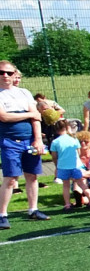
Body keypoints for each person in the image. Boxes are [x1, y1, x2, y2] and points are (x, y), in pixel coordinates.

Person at [0, 61, 50, 228]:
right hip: (9, 141)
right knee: (11, 178)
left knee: (32, 175)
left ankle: (33, 210)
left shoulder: (24, 92)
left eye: (8, 72)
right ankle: (2, 214)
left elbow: (36, 119)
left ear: (15, 74)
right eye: (1, 72)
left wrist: (38, 139)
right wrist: (29, 113)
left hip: (29, 140)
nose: (5, 75)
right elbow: (4, 117)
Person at [48, 119, 90, 212]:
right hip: (75, 166)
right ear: (67, 128)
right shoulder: (74, 139)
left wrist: (57, 165)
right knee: (82, 184)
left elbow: (54, 156)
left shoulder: (55, 142)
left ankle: (67, 204)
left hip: (63, 166)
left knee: (65, 185)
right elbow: (78, 152)